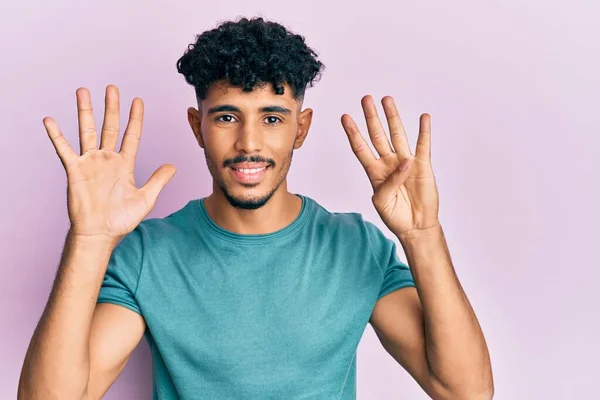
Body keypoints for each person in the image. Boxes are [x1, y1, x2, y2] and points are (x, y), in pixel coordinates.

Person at [18, 17, 493, 400]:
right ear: (197, 126)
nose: (249, 143)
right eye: (226, 117)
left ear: (300, 129)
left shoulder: (356, 246)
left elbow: (466, 391)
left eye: (272, 118)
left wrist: (422, 234)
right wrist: (90, 240)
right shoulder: (148, 254)